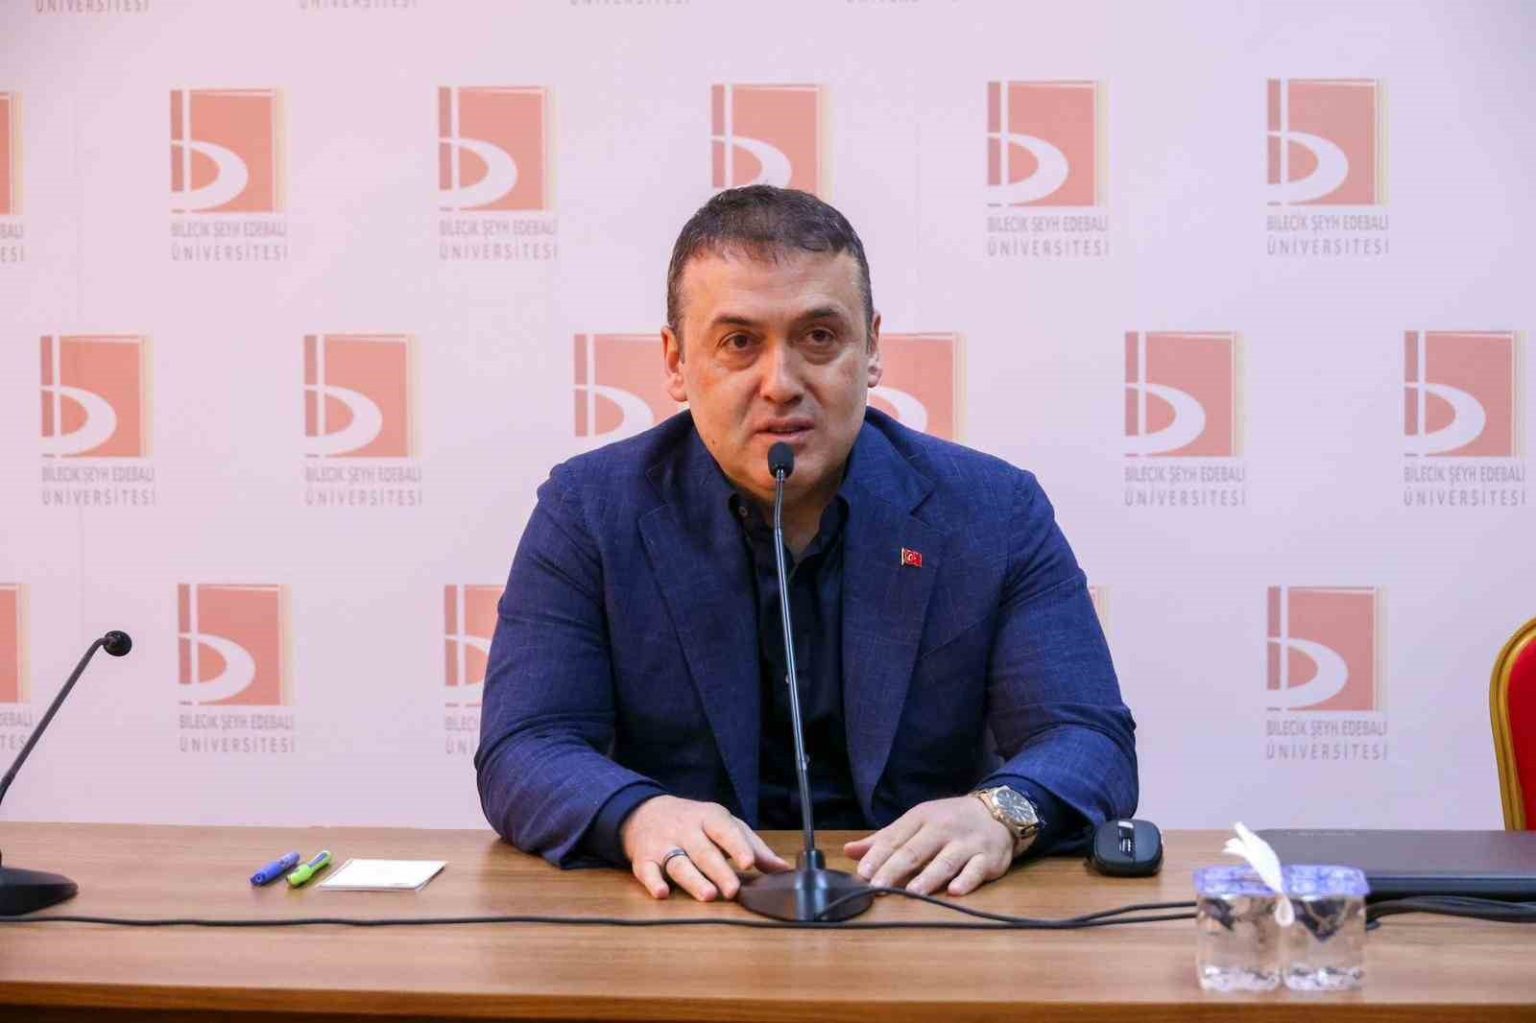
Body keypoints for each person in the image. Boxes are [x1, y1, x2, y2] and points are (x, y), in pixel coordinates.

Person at [476, 185, 1136, 903]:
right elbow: (525, 745)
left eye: (819, 337)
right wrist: (637, 815)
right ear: (675, 362)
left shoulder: (992, 510)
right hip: (690, 911)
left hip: (923, 908)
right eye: (739, 343)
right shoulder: (590, 511)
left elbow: (1087, 736)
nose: (781, 384)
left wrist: (998, 813)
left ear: (872, 349)